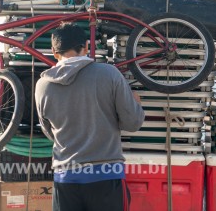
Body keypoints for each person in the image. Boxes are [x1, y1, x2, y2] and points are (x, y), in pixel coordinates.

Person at [35, 22, 145, 211]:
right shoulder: (109, 74)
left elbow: (48, 131)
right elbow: (133, 122)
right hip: (106, 176)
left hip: (65, 178)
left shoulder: (42, 86)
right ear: (86, 46)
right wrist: (136, 104)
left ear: (54, 51)